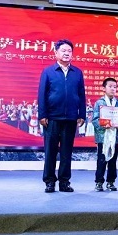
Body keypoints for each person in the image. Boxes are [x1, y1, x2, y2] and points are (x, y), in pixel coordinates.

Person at [38, 39, 85, 193]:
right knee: (50, 152)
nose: (66, 53)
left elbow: (81, 95)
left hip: (70, 118)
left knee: (66, 153)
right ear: (56, 53)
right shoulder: (48, 72)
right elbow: (42, 94)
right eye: (63, 50)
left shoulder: (77, 72)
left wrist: (81, 114)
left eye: (69, 51)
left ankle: (64, 182)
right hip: (52, 118)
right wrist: (42, 115)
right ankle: (49, 181)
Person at [92, 77, 118, 191]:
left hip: (115, 136)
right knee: (101, 160)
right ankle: (99, 182)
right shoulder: (99, 103)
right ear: (104, 88)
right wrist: (103, 125)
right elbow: (95, 120)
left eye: (115, 87)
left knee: (113, 160)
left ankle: (111, 182)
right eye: (110, 86)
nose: (113, 89)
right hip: (103, 137)